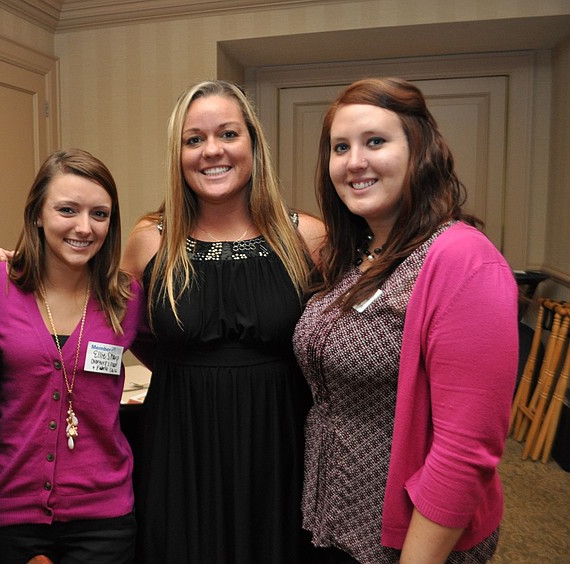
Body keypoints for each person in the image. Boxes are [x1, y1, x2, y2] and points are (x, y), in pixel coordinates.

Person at [292, 77, 518, 563]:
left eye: (375, 141)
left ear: (420, 150)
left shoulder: (463, 260)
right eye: (340, 147)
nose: (355, 161)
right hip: (333, 521)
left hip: (408, 540)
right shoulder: (349, 255)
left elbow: (465, 452)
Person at [121, 79, 325, 563]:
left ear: (253, 143)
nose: (211, 151)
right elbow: (115, 323)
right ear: (178, 154)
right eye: (194, 139)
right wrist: (19, 274)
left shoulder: (309, 238)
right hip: (180, 443)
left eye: (228, 134)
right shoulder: (151, 240)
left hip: (279, 445)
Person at [0, 149, 145, 564]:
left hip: (104, 516)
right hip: (10, 510)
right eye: (67, 210)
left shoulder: (127, 298)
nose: (84, 228)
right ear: (37, 214)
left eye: (99, 214)